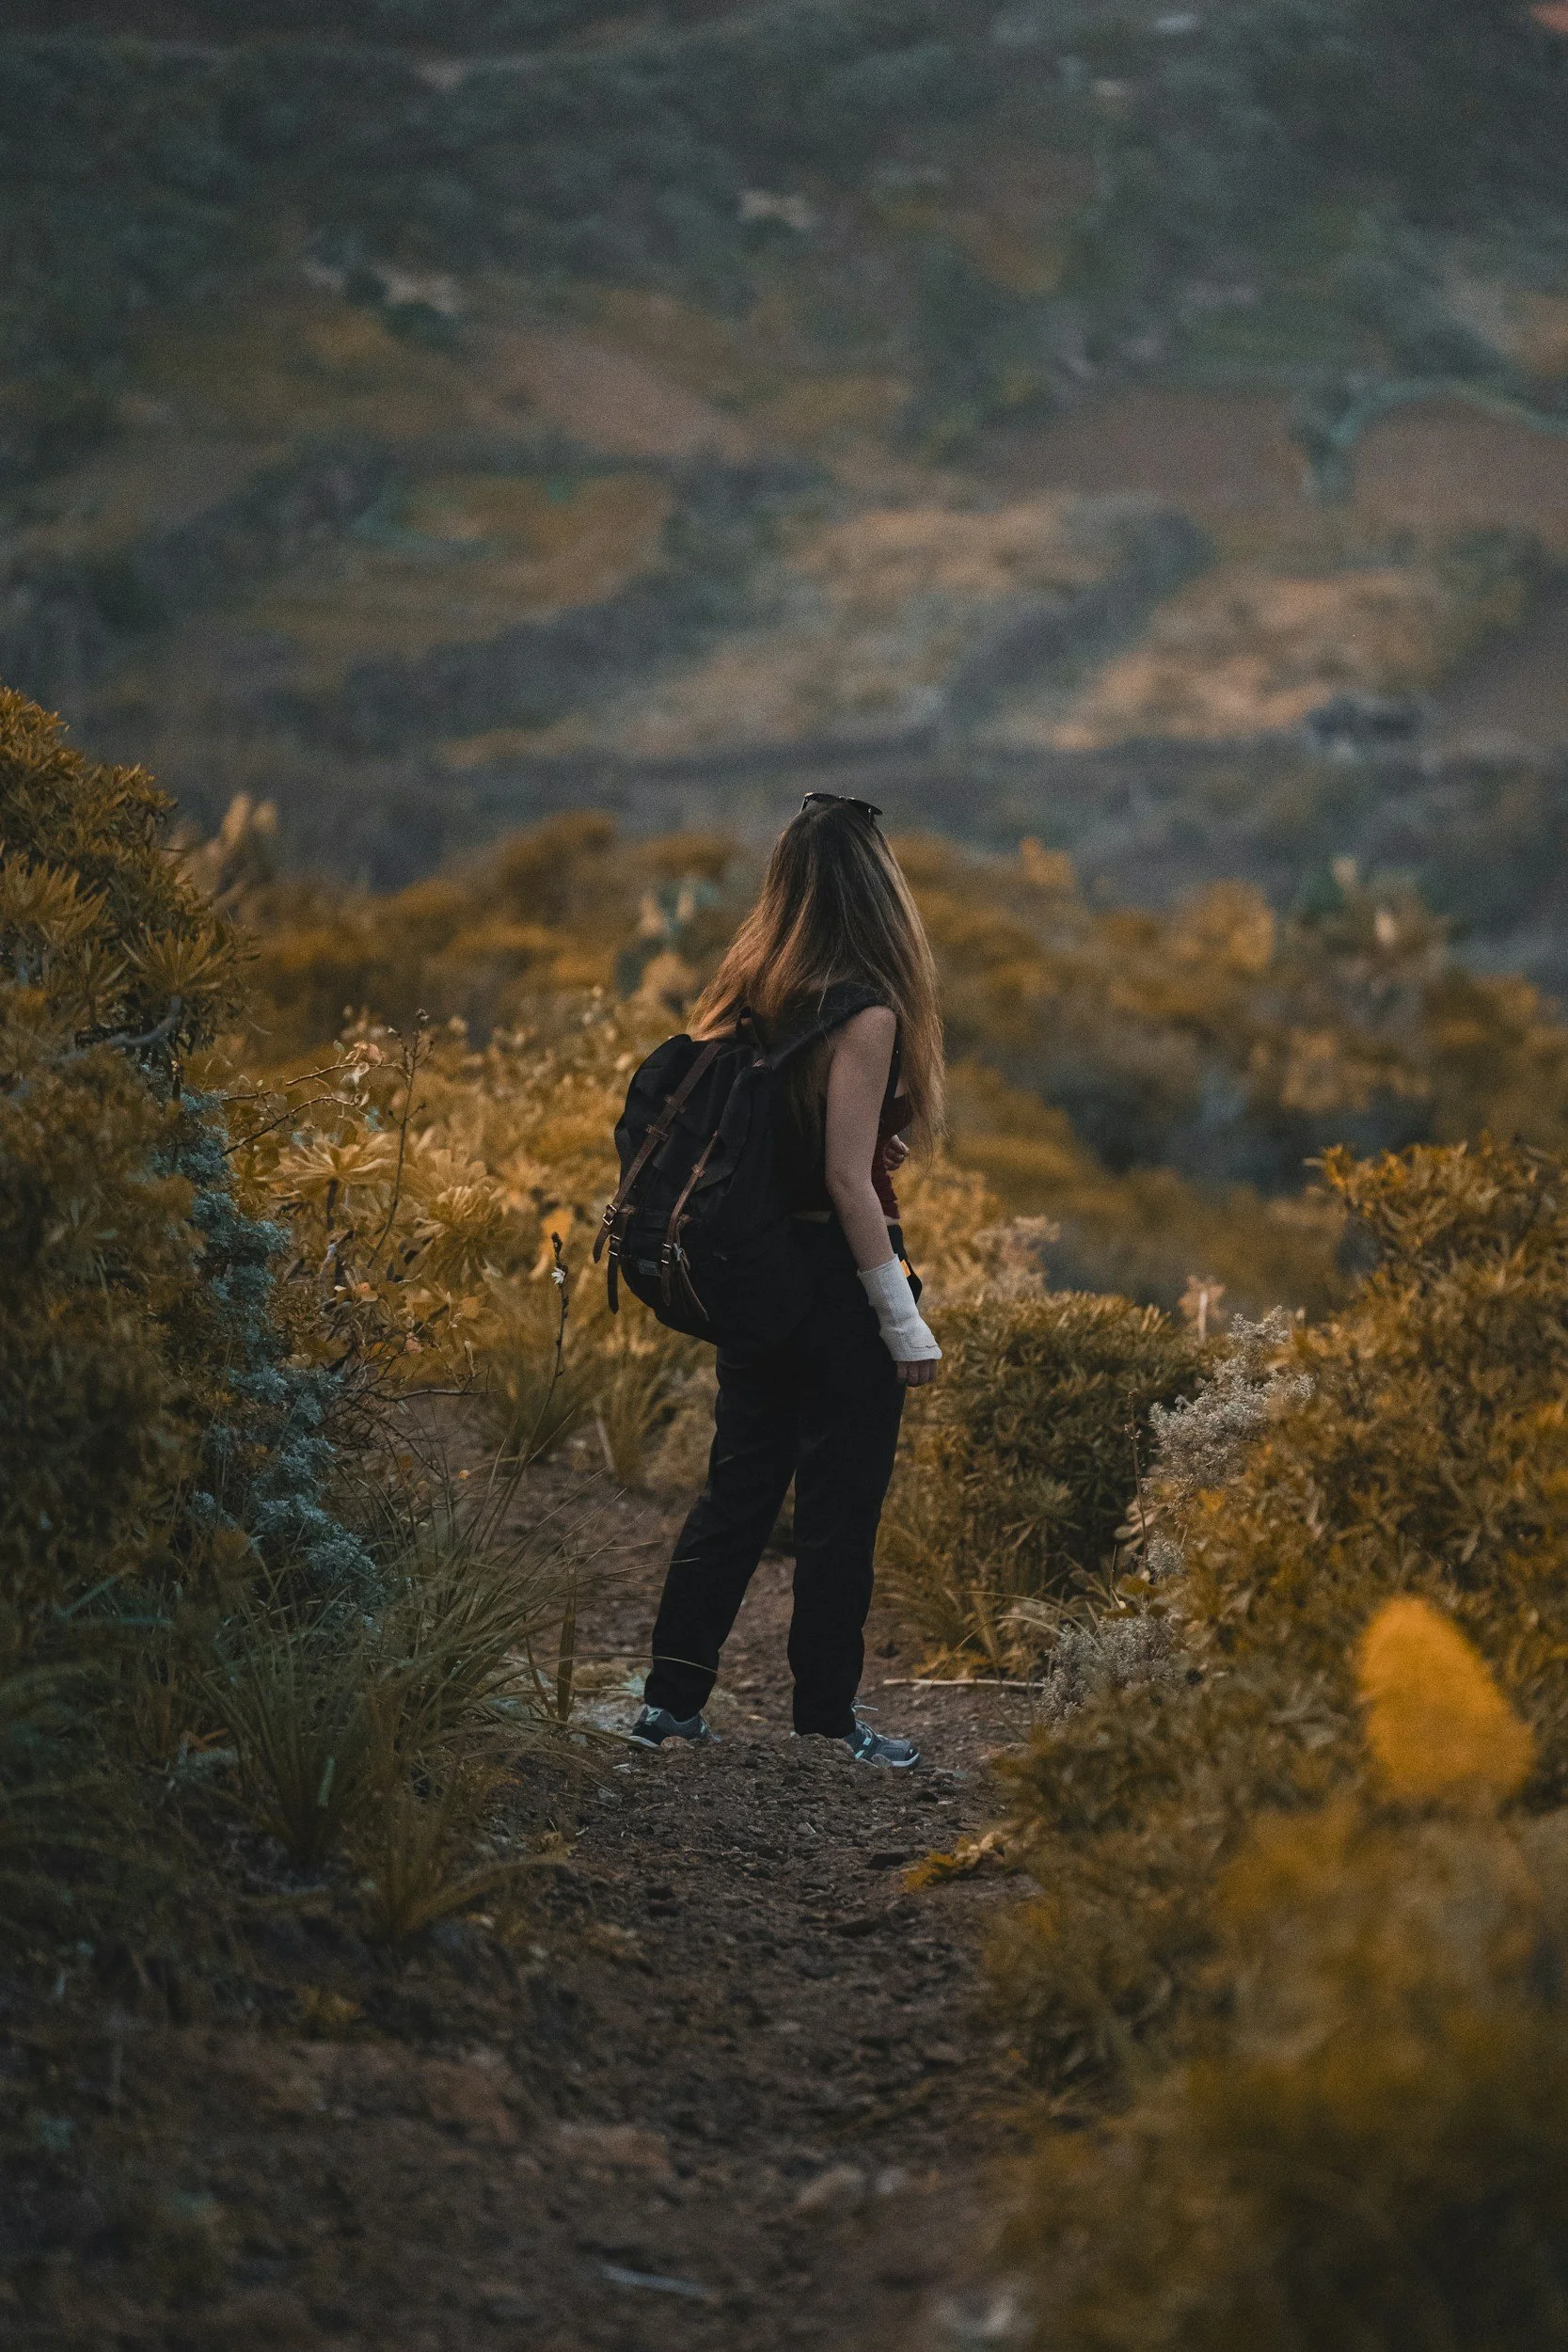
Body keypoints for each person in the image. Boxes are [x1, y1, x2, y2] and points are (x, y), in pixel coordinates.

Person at [630, 792, 943, 1766]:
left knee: (738, 1491)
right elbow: (850, 1183)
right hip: (835, 1281)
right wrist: (901, 1319)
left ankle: (668, 1704)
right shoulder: (868, 1013)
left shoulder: (744, 993)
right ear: (875, 891)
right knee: (838, 1512)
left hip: (753, 1271)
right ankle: (825, 1724)